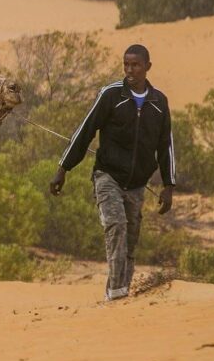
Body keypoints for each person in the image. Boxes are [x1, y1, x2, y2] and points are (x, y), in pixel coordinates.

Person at [49, 44, 175, 302]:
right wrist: (63, 168)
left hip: (138, 184)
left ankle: (122, 293)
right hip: (107, 176)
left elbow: (166, 146)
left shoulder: (159, 103)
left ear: (148, 67)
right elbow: (85, 131)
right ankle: (117, 294)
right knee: (115, 226)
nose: (130, 70)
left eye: (136, 65)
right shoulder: (111, 95)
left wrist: (169, 185)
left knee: (130, 240)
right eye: (126, 64)